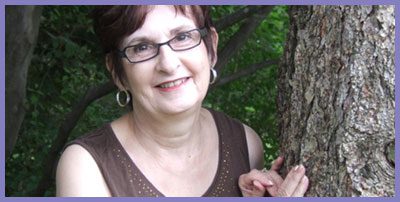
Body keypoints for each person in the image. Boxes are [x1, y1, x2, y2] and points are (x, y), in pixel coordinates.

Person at [56, 5, 309, 197]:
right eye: (141, 47)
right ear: (117, 72)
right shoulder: (86, 166)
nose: (168, 63)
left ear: (210, 47)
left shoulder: (246, 144)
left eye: (182, 37)